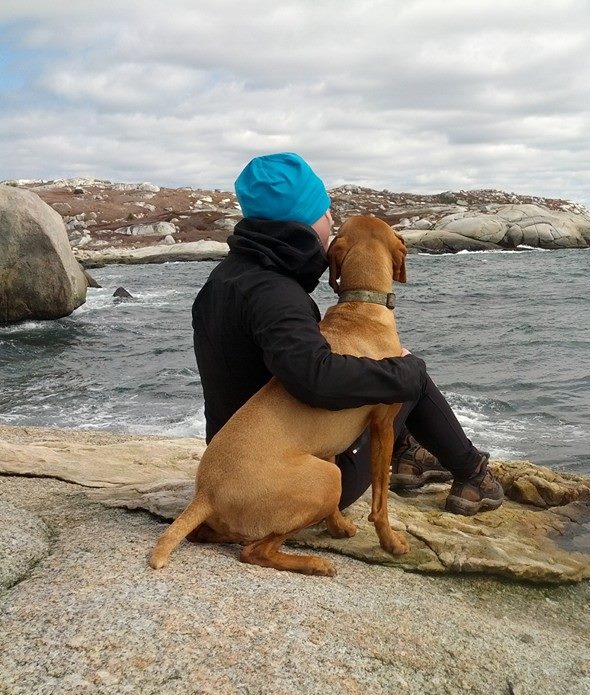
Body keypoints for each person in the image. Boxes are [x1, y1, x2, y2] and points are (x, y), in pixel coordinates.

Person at [191, 152, 504, 516]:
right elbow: (315, 379)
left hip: (238, 462)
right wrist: (405, 371)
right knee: (404, 373)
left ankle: (406, 457)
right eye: (326, 213)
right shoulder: (275, 295)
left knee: (387, 370)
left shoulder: (226, 279)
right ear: (307, 221)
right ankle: (473, 475)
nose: (332, 221)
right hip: (281, 482)